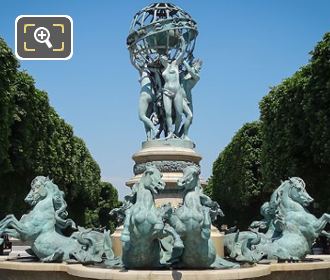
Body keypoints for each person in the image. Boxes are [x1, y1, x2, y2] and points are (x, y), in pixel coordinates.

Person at [159, 35, 186, 138]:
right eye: (160, 58)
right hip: (166, 92)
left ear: (166, 57)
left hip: (177, 91)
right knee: (168, 113)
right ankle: (170, 132)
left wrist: (182, 41)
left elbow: (182, 52)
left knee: (179, 114)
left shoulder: (175, 64)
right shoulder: (162, 70)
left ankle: (176, 132)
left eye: (163, 57)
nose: (162, 59)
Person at [179, 58, 202, 140]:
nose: (200, 68)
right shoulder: (183, 73)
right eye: (199, 66)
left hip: (188, 99)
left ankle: (179, 135)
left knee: (190, 119)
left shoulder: (197, 76)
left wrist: (183, 60)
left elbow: (190, 70)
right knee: (190, 115)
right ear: (194, 64)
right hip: (180, 97)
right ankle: (185, 136)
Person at [138, 65, 158, 140]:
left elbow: (133, 62)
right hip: (153, 95)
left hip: (145, 95)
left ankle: (155, 130)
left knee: (141, 116)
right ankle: (149, 138)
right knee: (147, 117)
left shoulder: (143, 69)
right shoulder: (153, 70)